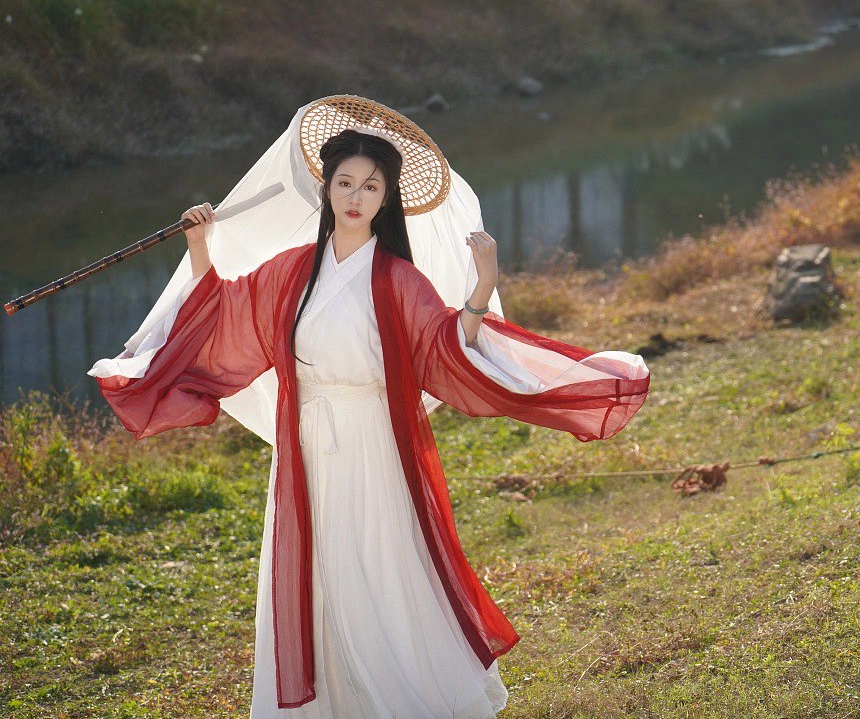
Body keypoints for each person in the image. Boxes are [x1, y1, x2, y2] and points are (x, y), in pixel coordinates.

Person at [89, 126, 650, 717]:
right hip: (303, 444)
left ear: (387, 201)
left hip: (369, 442)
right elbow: (227, 309)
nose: (356, 196)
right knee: (312, 575)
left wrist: (482, 285)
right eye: (346, 183)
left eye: (371, 187)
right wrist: (201, 244)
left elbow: (445, 350)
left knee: (376, 570)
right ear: (327, 190)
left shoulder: (399, 279)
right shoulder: (293, 270)